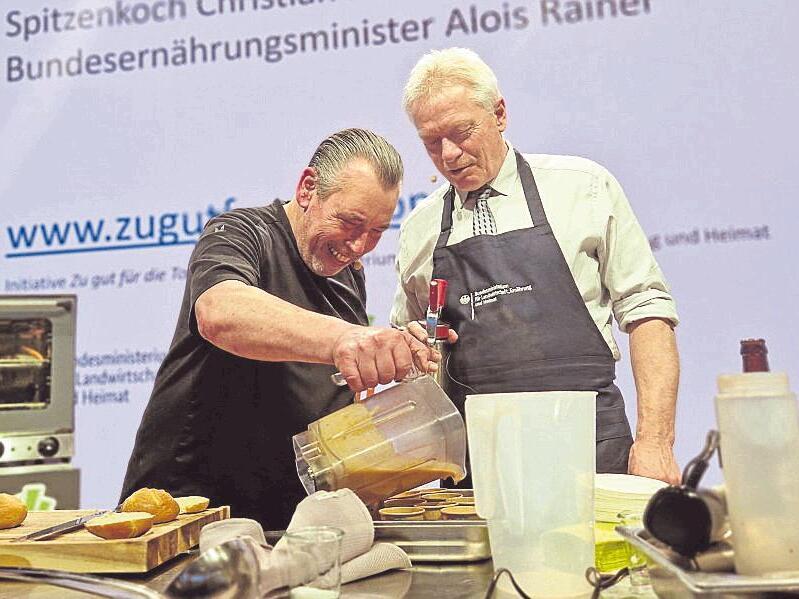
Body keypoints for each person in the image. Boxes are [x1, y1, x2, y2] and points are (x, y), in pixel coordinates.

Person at [121, 128, 438, 528]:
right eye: (350, 222)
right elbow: (220, 313)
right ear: (307, 189)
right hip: (192, 513)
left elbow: (333, 392)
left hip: (287, 517)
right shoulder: (241, 233)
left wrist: (393, 366)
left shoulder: (348, 275)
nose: (359, 246)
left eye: (376, 232)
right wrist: (346, 338)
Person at [391, 48, 681, 484]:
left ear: (500, 113)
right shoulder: (419, 229)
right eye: (432, 142)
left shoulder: (582, 187)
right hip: (480, 471)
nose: (449, 155)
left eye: (461, 132)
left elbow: (648, 314)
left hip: (592, 453)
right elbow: (410, 353)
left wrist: (655, 444)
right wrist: (412, 352)